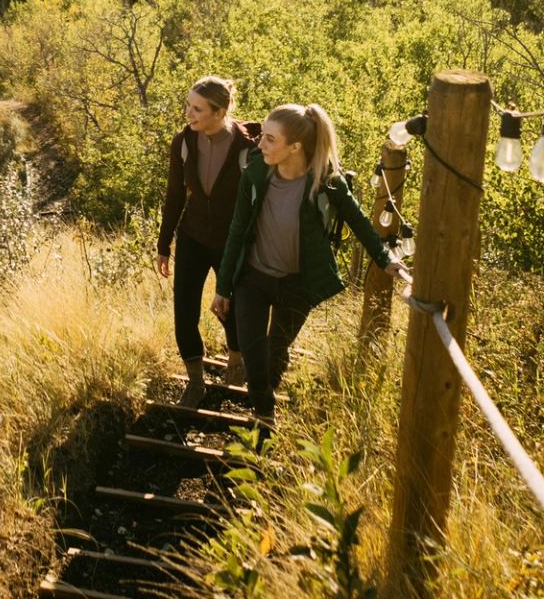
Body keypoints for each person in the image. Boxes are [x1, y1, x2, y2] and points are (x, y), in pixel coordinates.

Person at [211, 103, 411, 422]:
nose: (260, 144)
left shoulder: (326, 180)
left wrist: (385, 258)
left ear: (295, 147)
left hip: (297, 283)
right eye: (262, 135)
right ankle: (264, 412)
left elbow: (357, 220)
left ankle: (263, 419)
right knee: (253, 353)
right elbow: (237, 228)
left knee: (275, 351)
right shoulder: (255, 171)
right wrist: (223, 287)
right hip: (253, 278)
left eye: (270, 139)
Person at [157, 76, 260, 407]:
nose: (189, 113)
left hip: (232, 242)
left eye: (197, 108)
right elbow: (174, 196)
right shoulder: (183, 143)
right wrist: (163, 245)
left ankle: (235, 364)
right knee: (184, 311)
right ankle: (196, 382)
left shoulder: (249, 148)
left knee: (233, 309)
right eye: (189, 105)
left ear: (220, 111)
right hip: (193, 237)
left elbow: (261, 200)